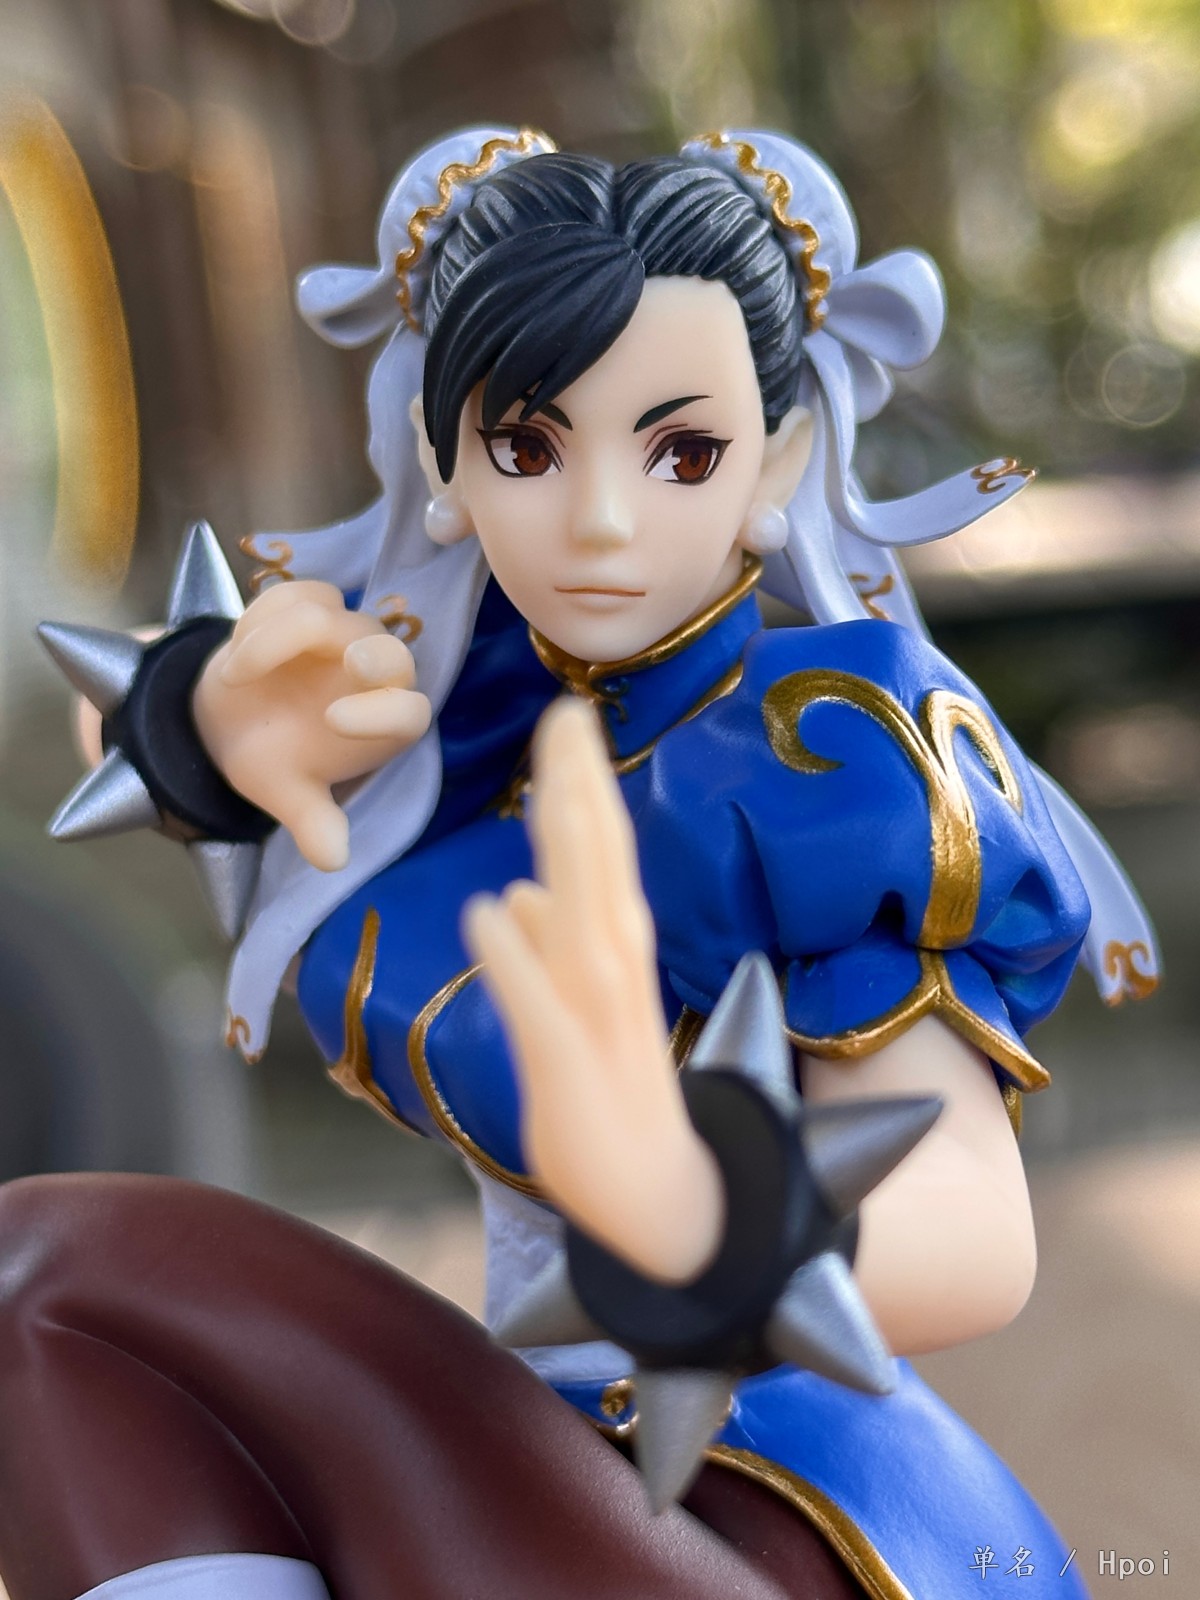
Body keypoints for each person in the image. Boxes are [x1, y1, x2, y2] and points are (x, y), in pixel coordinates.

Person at [26, 125, 1157, 1600]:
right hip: (541, 1421)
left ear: (777, 461)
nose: (603, 520)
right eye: (529, 447)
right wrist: (219, 721)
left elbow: (977, 1228)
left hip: (773, 1470)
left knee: (53, 1277)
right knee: (48, 1306)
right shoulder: (446, 719)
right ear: (443, 462)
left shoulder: (830, 753)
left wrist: (702, 1218)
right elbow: (139, 709)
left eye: (681, 452)